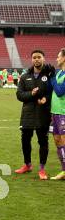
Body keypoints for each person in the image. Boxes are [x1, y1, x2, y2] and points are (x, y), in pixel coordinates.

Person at [15, 50, 55, 180]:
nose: (36, 59)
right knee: (25, 140)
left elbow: (53, 92)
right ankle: (27, 165)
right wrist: (31, 94)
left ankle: (42, 169)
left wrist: (46, 99)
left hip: (43, 113)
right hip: (27, 113)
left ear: (43, 58)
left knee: (43, 141)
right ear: (31, 59)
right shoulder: (25, 76)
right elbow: (19, 95)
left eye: (39, 57)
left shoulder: (49, 75)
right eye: (34, 57)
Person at [50, 48, 65, 180]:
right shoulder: (60, 72)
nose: (57, 58)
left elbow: (60, 91)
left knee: (64, 141)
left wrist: (52, 78)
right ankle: (63, 170)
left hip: (63, 113)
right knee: (57, 141)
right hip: (55, 112)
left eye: (59, 56)